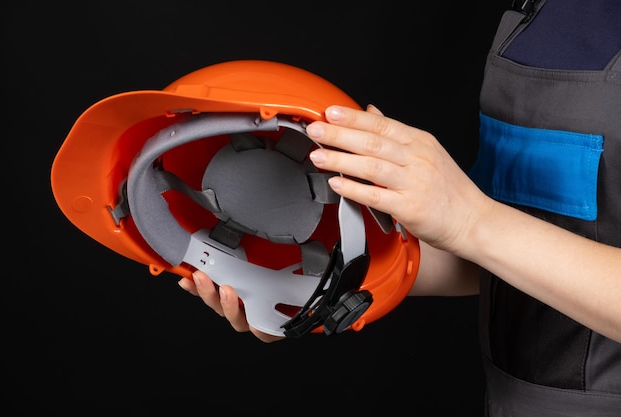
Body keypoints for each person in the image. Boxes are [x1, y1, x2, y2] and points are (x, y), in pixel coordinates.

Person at [178, 0, 621, 415]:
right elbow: (503, 254)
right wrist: (318, 282)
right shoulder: (544, 12)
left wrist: (472, 219)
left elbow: (482, 228)